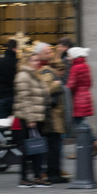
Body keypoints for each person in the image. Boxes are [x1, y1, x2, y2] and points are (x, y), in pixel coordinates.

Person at [13, 52, 52, 188]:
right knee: (28, 148)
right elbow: (24, 99)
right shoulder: (23, 76)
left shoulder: (35, 75)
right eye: (34, 60)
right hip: (29, 117)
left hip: (38, 116)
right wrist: (30, 118)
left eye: (37, 60)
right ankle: (24, 178)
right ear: (26, 62)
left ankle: (37, 177)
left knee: (37, 148)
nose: (37, 63)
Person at [35, 43, 68, 184]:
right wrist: (56, 84)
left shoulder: (48, 72)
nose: (50, 55)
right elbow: (45, 91)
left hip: (54, 117)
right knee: (53, 147)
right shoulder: (47, 73)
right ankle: (52, 173)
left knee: (55, 146)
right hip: (51, 117)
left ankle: (54, 172)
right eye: (47, 52)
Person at [66, 47, 97, 156]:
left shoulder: (75, 68)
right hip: (86, 96)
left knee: (79, 125)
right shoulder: (86, 66)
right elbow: (90, 82)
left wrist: (64, 88)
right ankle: (86, 147)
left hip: (78, 98)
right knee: (82, 123)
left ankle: (94, 142)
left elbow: (71, 84)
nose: (68, 58)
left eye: (69, 55)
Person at [0, 39, 18, 118]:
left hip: (2, 96)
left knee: (2, 123)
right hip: (15, 96)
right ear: (15, 48)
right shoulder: (18, 62)